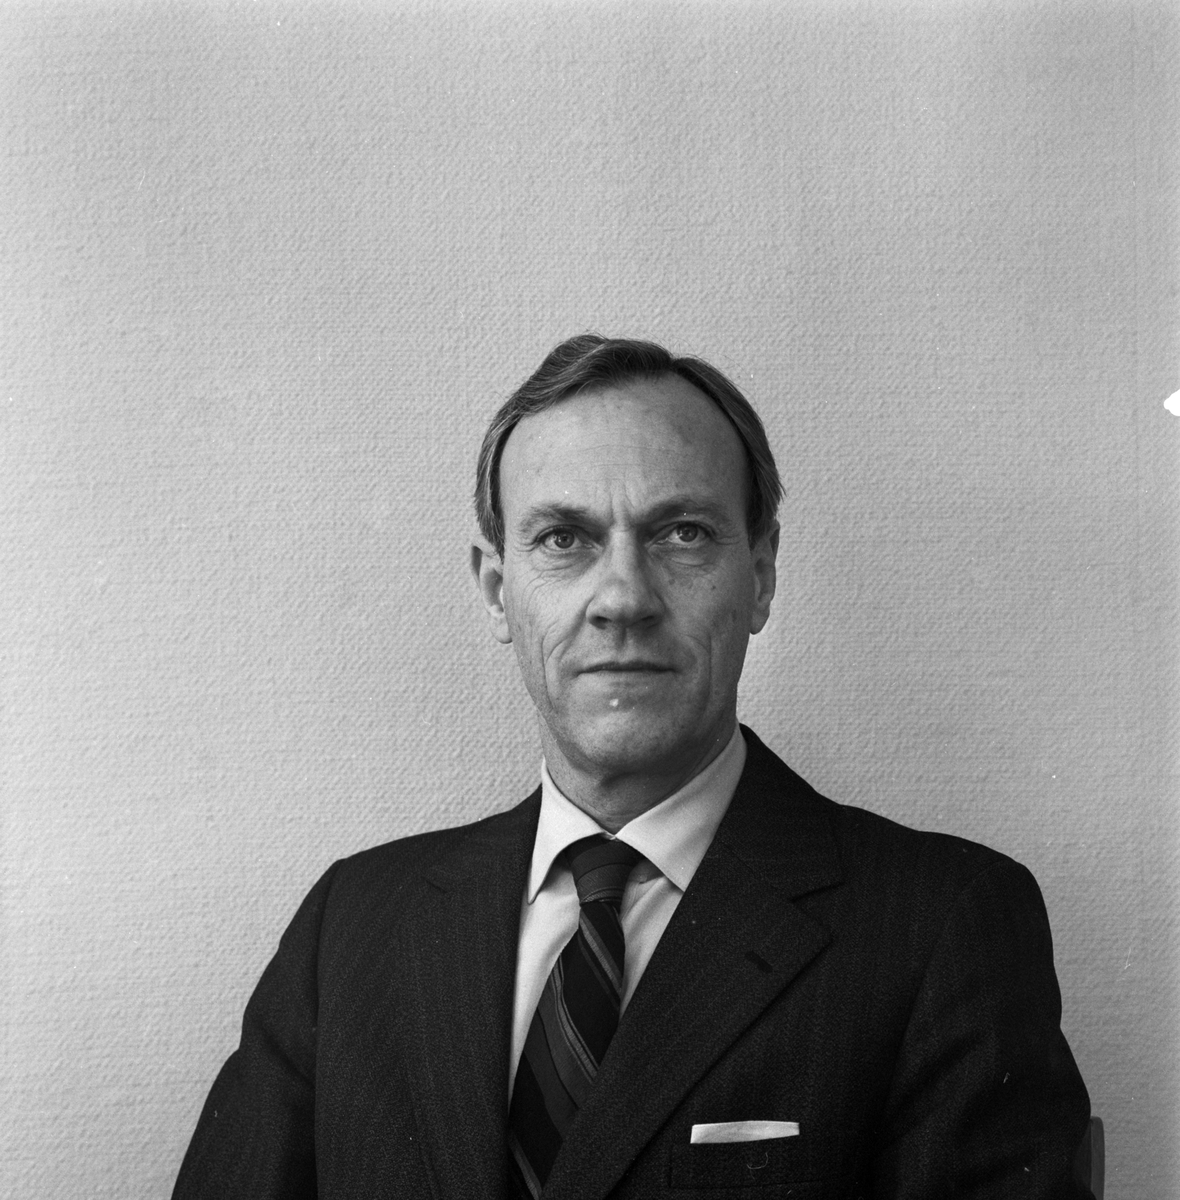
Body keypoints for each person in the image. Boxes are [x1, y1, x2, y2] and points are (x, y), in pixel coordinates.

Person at [173, 335, 1093, 1199]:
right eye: (563, 539)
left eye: (681, 533)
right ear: (496, 590)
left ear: (761, 575)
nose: (622, 598)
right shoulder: (351, 926)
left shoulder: (943, 925)